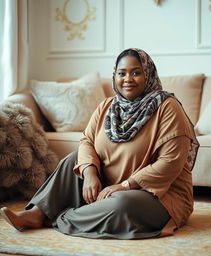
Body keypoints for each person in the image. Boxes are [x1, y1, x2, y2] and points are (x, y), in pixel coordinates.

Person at [0, 48, 199, 239]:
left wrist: (125, 185)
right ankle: (37, 213)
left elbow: (170, 163)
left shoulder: (168, 108)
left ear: (149, 75)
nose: (128, 79)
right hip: (111, 186)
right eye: (122, 73)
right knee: (74, 160)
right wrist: (90, 173)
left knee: (123, 205)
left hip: (158, 196)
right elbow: (87, 141)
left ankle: (60, 217)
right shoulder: (107, 106)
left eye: (136, 73)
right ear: (115, 76)